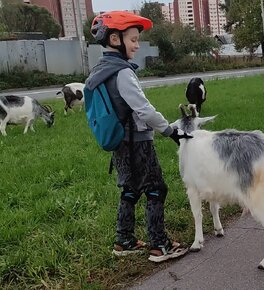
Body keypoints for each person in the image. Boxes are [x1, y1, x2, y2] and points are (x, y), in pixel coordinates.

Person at [85, 11, 192, 263]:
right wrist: (170, 130)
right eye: (132, 39)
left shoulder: (100, 70)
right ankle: (159, 244)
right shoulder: (122, 72)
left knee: (130, 189)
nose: (136, 44)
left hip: (120, 141)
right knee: (155, 189)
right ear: (114, 39)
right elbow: (144, 110)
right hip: (138, 142)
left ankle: (124, 240)